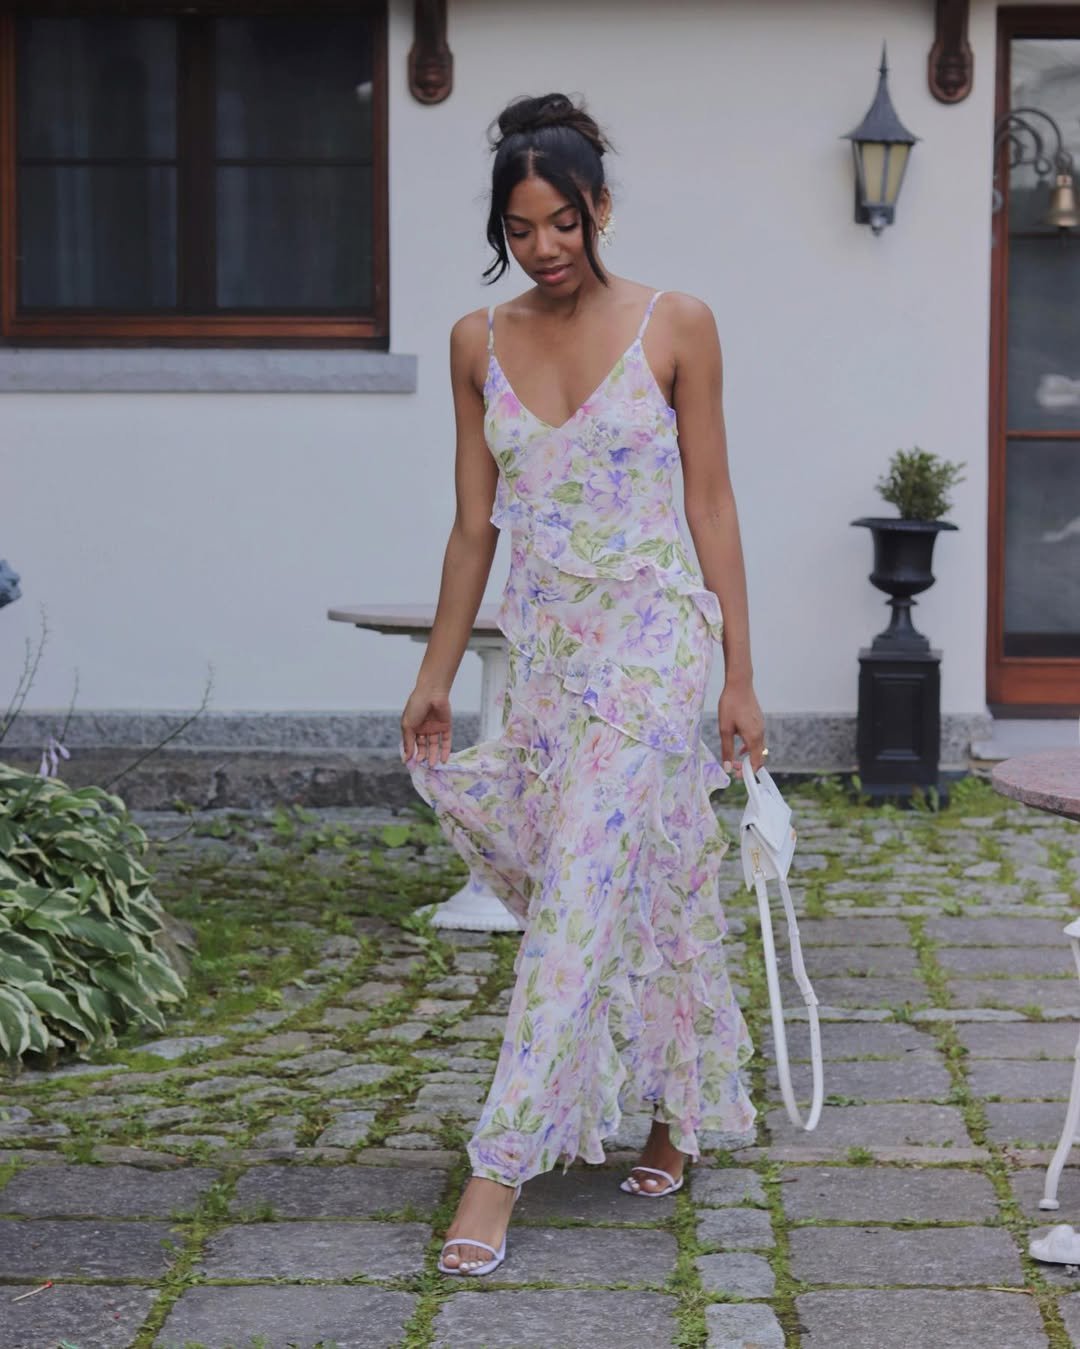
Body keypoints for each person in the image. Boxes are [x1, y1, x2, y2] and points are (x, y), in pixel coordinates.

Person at [400, 92, 767, 1277]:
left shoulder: (677, 324)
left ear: (600, 208)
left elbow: (711, 503)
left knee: (572, 906)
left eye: (563, 221)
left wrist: (741, 675)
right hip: (551, 661)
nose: (544, 246)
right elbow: (474, 527)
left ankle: (498, 1167)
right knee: (646, 881)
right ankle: (678, 1110)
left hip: (655, 652)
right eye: (521, 228)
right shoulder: (476, 342)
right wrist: (437, 673)